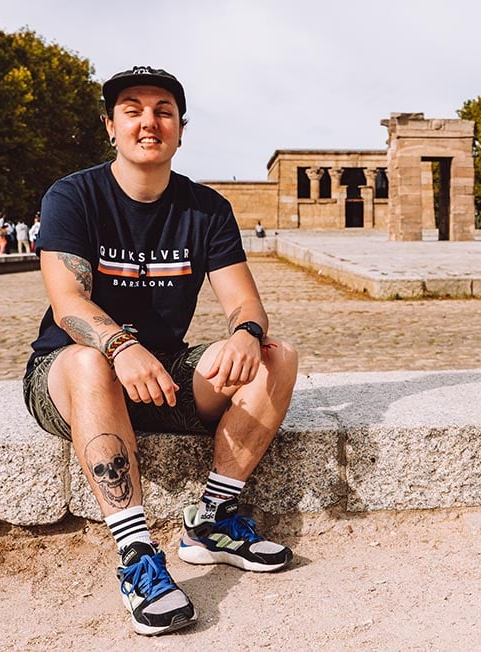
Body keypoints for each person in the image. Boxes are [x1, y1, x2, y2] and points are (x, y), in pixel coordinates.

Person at [22, 66, 298, 637]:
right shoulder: (72, 195)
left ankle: (212, 522)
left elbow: (245, 303)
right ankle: (138, 556)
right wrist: (121, 345)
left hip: (164, 375)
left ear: (180, 127)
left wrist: (245, 335)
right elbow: (68, 300)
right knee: (89, 359)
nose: (149, 121)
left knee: (278, 354)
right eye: (132, 108)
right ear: (111, 126)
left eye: (163, 110)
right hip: (69, 374)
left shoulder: (206, 209)